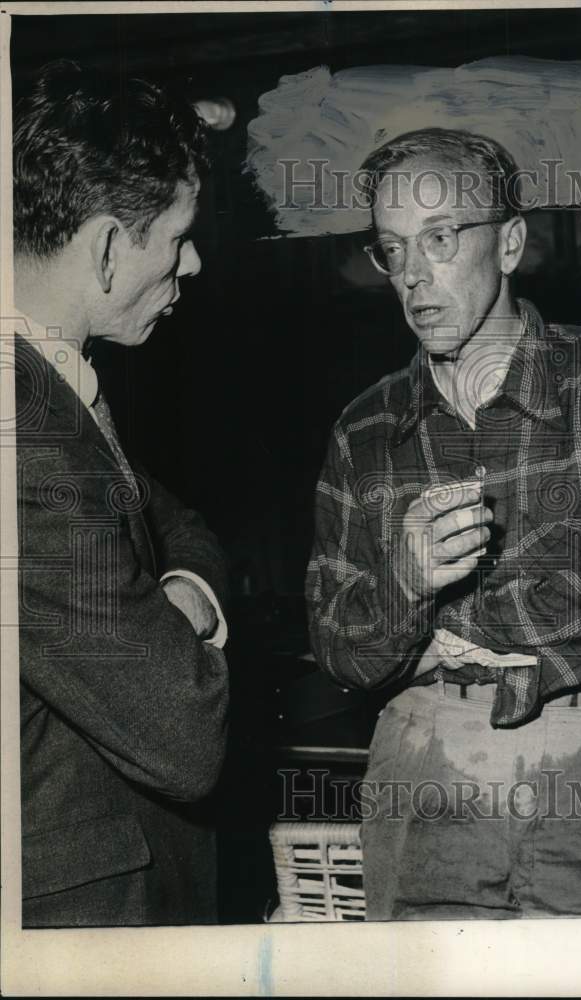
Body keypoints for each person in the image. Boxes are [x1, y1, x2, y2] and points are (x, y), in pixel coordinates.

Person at [306, 128, 581, 920]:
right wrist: (406, 579)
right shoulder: (364, 427)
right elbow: (337, 643)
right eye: (392, 249)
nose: (412, 275)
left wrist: (439, 628)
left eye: (440, 238)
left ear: (510, 243)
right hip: (423, 763)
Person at [13, 61, 230, 927]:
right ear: (106, 247)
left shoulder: (51, 388)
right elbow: (185, 733)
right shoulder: (22, 443)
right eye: (177, 236)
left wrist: (184, 593)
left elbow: (175, 522)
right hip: (78, 919)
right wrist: (178, 636)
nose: (192, 261)